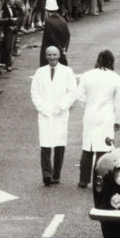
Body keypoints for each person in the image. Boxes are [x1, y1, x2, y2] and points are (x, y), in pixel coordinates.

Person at [75, 49, 120, 188]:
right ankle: (99, 180)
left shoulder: (87, 75)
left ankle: (83, 180)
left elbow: (79, 96)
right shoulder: (115, 78)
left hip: (90, 115)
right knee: (103, 149)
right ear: (112, 62)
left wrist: (88, 104)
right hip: (106, 116)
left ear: (98, 60)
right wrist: (119, 121)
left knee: (88, 148)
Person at [30, 46, 76, 186]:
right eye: (49, 55)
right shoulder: (40, 72)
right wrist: (41, 107)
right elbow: (34, 92)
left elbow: (72, 92)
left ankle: (56, 174)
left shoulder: (67, 71)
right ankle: (46, 174)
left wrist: (61, 107)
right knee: (45, 144)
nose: (52, 57)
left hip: (60, 112)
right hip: (44, 112)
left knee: (59, 143)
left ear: (59, 55)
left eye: (54, 54)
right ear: (46, 56)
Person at [38, 0, 69, 66]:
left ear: (46, 10)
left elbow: (48, 39)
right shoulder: (63, 20)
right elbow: (67, 36)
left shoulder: (48, 22)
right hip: (61, 53)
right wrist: (64, 49)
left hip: (50, 54)